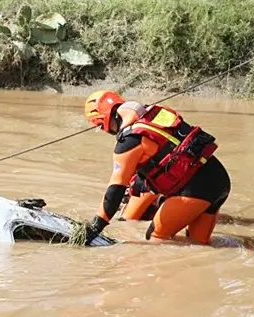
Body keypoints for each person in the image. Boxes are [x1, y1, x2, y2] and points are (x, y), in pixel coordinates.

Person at [78, 90, 231, 246]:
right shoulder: (154, 113)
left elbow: (114, 191)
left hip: (194, 190)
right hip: (219, 181)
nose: (105, 131)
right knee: (198, 245)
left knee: (155, 240)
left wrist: (96, 226)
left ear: (103, 120)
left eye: (100, 126)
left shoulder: (127, 143)